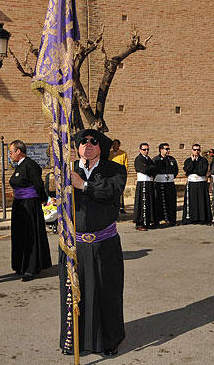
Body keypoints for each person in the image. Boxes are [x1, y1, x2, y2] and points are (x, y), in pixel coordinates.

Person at [59, 129, 126, 356]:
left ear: (101, 147)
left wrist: (83, 186)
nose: (88, 144)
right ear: (77, 147)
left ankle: (109, 341)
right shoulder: (68, 171)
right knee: (75, 295)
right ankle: (75, 340)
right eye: (83, 141)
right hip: (75, 245)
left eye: (93, 141)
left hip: (104, 245)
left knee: (107, 294)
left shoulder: (115, 170)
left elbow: (112, 191)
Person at [9, 140, 52, 281]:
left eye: (11, 152)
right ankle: (21, 265)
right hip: (19, 205)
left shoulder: (30, 165)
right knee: (19, 235)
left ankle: (31, 268)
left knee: (30, 235)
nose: (10, 155)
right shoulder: (18, 166)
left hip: (29, 205)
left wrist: (43, 199)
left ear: (18, 152)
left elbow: (38, 184)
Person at [182, 144, 212, 224]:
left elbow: (202, 171)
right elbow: (187, 169)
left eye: (198, 150)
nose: (196, 151)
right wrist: (192, 162)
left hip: (201, 184)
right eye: (195, 150)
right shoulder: (188, 160)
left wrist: (192, 171)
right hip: (191, 184)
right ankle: (191, 218)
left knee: (201, 201)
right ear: (192, 150)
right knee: (192, 201)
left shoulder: (204, 160)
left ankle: (202, 219)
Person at [153, 143, 178, 226]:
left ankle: (171, 220)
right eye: (166, 149)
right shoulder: (156, 160)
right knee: (159, 202)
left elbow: (176, 170)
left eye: (168, 149)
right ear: (161, 150)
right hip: (159, 184)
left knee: (171, 202)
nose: (168, 151)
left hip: (170, 183)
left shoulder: (172, 159)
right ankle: (159, 219)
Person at [133, 143, 157, 231]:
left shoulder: (149, 159)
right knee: (142, 203)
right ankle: (140, 223)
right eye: (144, 149)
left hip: (149, 183)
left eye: (147, 149)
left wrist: (150, 168)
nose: (146, 151)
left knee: (149, 202)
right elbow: (144, 169)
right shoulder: (138, 159)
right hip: (142, 183)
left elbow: (154, 169)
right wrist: (150, 168)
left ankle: (148, 222)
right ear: (140, 150)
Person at [108, 139, 128, 213]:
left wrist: (124, 174)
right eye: (113, 144)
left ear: (119, 145)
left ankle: (121, 207)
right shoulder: (109, 154)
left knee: (120, 191)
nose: (114, 146)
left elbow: (126, 164)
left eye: (116, 144)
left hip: (119, 175)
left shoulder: (123, 154)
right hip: (111, 175)